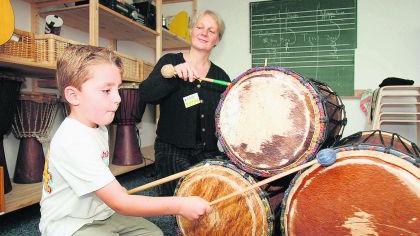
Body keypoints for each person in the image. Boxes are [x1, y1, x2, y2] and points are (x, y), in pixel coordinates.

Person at [39, 45, 211, 236]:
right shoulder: (73, 141)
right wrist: (180, 204)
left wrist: (114, 192)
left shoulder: (98, 127)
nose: (118, 98)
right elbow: (121, 204)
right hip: (70, 225)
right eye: (106, 90)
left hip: (101, 212)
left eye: (118, 89)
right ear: (73, 95)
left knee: (155, 234)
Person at [138, 10, 230, 196]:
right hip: (172, 148)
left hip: (207, 152)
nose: (204, 33)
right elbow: (146, 94)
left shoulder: (221, 76)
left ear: (217, 40)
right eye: (200, 27)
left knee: (216, 193)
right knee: (181, 196)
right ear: (191, 31)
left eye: (211, 31)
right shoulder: (170, 62)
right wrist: (171, 74)